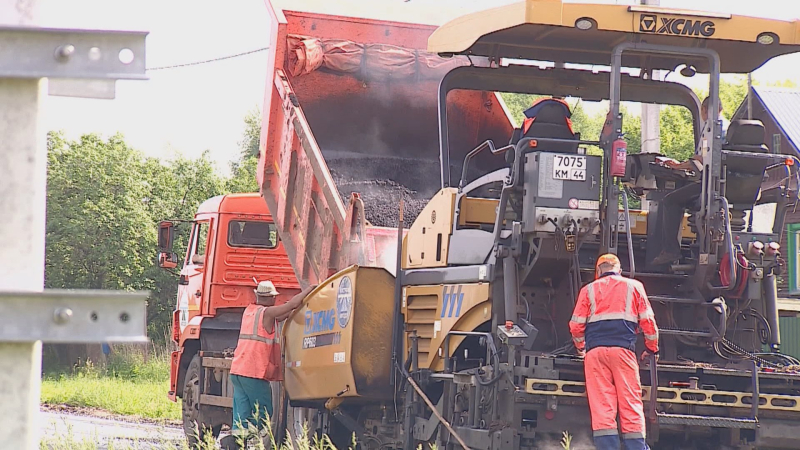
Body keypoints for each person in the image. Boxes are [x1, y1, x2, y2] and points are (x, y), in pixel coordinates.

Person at [569, 254, 660, 450]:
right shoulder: (634, 287)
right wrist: (652, 348)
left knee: (602, 405)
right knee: (630, 401)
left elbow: (576, 326)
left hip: (595, 353)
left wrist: (581, 348)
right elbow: (648, 322)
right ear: (619, 270)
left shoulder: (588, 290)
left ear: (598, 271)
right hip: (623, 352)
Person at [221, 281, 316, 449]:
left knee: (241, 414)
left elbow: (283, 314)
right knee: (264, 414)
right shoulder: (267, 313)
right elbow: (290, 305)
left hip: (238, 370)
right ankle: (240, 439)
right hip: (253, 372)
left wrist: (292, 311)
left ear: (257, 295)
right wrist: (309, 290)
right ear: (271, 298)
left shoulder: (250, 311)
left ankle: (235, 443)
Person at [652, 96, 727, 265]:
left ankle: (671, 251)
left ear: (704, 110)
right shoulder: (729, 128)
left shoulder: (711, 130)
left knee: (671, 200)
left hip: (710, 186)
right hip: (728, 186)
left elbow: (702, 159)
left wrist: (678, 166)